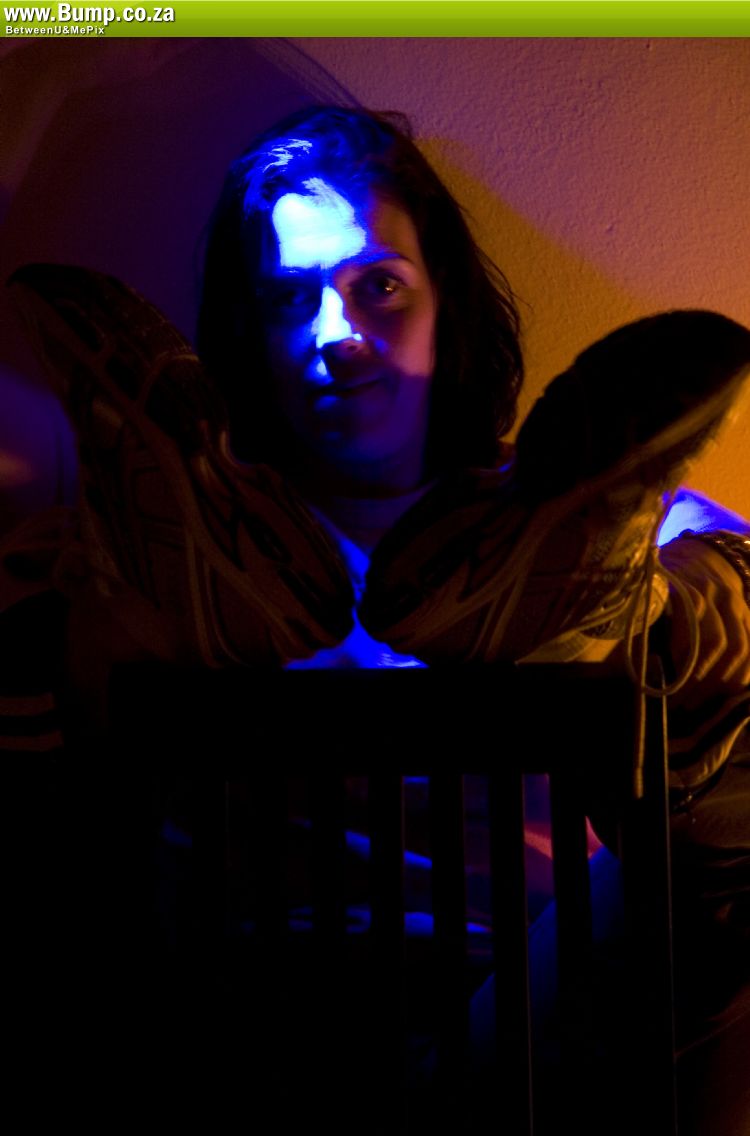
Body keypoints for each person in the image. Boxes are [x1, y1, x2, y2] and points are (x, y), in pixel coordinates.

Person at [4, 106, 749, 1133]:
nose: (337, 334)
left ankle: (612, 624)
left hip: (541, 1015)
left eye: (380, 287)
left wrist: (668, 598)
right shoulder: (139, 541)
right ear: (244, 335)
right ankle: (193, 589)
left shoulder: (621, 519)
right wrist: (99, 615)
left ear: (449, 310)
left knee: (717, 657)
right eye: (288, 297)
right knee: (68, 613)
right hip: (239, 1023)